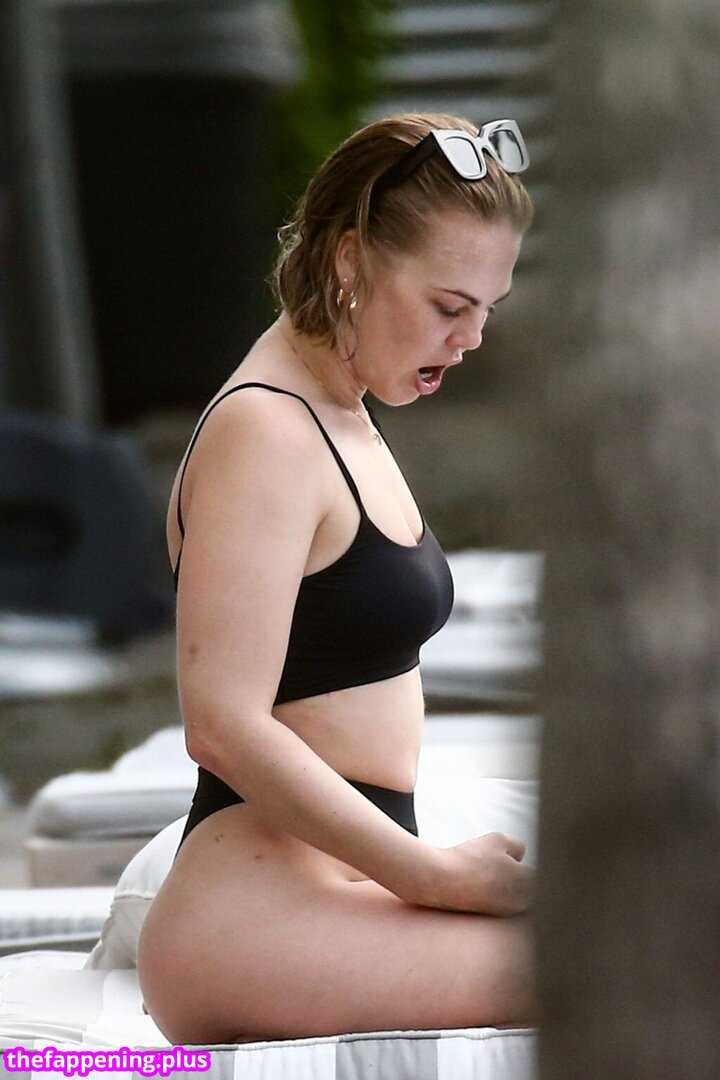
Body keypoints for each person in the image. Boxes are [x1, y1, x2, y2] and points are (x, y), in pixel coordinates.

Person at [137, 112, 535, 1045]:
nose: (472, 338)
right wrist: (433, 876)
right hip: (251, 922)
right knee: (647, 969)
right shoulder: (267, 431)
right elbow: (221, 723)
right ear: (351, 262)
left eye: (488, 308)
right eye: (449, 306)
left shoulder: (341, 406)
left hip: (336, 893)